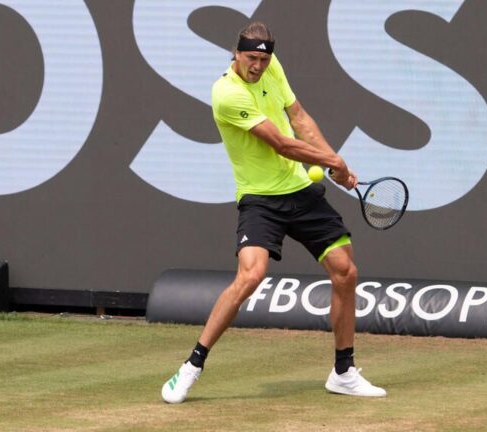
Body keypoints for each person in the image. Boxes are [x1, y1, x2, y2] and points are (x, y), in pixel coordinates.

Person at [161, 22, 386, 404]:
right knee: (251, 275)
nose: (258, 66)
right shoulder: (227, 94)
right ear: (236, 53)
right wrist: (334, 161)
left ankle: (344, 372)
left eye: (264, 59)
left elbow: (298, 119)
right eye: (251, 58)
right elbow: (282, 143)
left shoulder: (271, 67)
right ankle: (191, 366)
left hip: (299, 189)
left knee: (346, 271)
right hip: (260, 198)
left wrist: (334, 164)